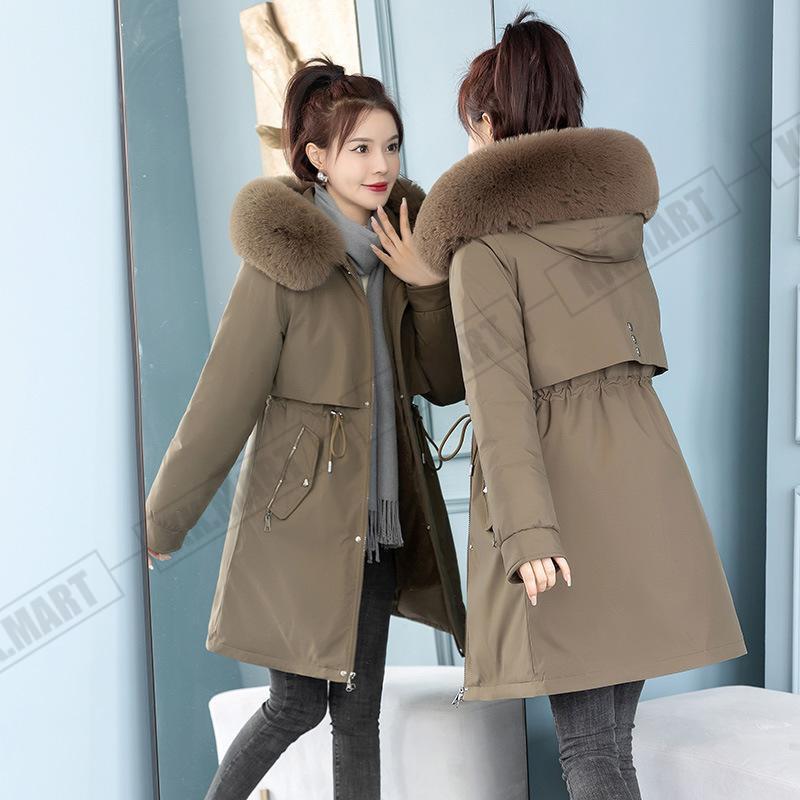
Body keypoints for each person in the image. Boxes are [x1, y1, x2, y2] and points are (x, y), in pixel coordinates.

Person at [413, 10, 748, 800]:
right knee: (609, 748)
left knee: (591, 754)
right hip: (650, 505)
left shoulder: (484, 250)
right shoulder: (617, 232)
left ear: (489, 123)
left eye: (470, 124)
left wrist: (527, 534)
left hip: (560, 518)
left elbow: (499, 401)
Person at [145, 56, 467, 799]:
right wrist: (167, 517)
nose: (382, 165)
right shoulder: (283, 263)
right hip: (297, 520)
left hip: (377, 524)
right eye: (361, 148)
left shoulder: (404, 250)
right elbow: (224, 397)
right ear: (318, 158)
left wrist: (426, 287)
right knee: (296, 704)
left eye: (392, 146)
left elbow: (445, 384)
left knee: (357, 717)